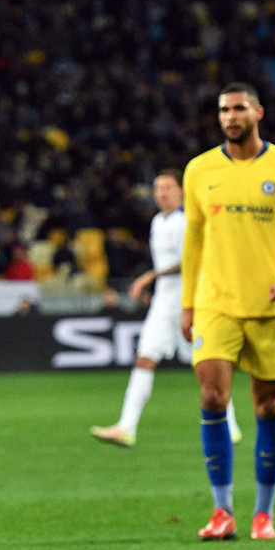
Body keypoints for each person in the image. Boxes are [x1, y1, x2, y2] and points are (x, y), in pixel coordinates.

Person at [180, 82, 275, 541]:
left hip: (267, 305)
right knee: (213, 398)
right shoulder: (199, 170)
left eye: (238, 108)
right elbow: (193, 239)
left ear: (258, 111)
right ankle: (222, 511)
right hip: (215, 302)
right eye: (223, 110)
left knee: (267, 405)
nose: (230, 116)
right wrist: (187, 303)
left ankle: (264, 512)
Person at [91, 170, 241, 448]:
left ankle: (230, 428)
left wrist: (151, 276)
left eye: (168, 188)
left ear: (180, 192)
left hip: (191, 302)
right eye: (158, 188)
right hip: (164, 303)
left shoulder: (185, 222)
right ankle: (126, 427)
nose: (162, 193)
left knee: (207, 367)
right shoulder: (158, 222)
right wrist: (155, 286)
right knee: (145, 358)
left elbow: (191, 260)